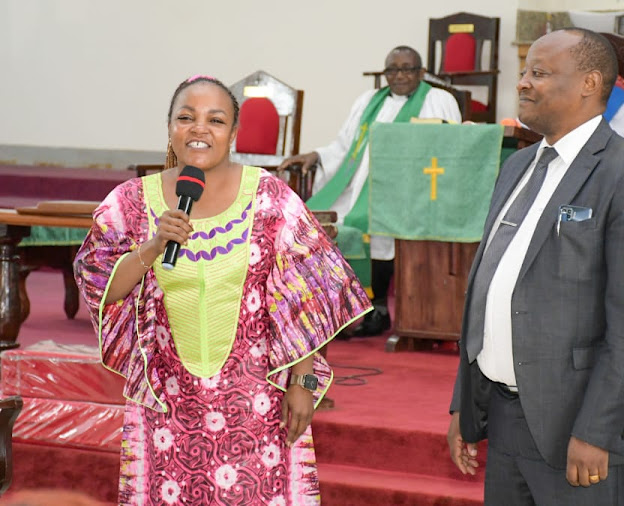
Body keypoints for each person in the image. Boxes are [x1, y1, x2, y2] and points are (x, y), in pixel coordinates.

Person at [74, 75, 371, 505]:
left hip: (258, 410)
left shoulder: (271, 199)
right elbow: (105, 289)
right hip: (167, 406)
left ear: (233, 133)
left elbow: (308, 295)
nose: (199, 129)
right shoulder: (130, 203)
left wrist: (303, 381)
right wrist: (154, 245)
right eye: (186, 117)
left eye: (215, 120)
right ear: (170, 128)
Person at [447, 28, 624, 505]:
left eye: (540, 73)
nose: (524, 83)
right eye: (524, 72)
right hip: (506, 416)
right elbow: (490, 289)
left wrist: (598, 431)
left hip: (577, 424)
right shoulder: (517, 166)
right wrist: (464, 408)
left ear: (589, 83)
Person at [279, 45, 462, 337]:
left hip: (406, 190)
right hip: (355, 186)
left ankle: (376, 308)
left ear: (421, 72)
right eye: (393, 69)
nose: (399, 75)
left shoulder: (438, 100)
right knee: (321, 220)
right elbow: (343, 145)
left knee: (368, 225)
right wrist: (316, 155)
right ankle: (334, 308)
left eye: (407, 69)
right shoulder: (368, 101)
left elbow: (450, 146)